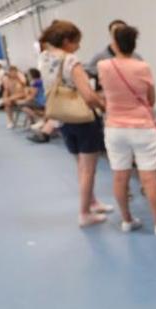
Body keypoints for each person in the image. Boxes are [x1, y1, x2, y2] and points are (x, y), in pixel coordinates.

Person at [97, 25, 156, 236]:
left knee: (119, 176)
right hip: (142, 127)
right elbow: (151, 99)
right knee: (148, 176)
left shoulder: (104, 66)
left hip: (115, 128)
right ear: (134, 44)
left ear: (114, 44)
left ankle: (127, 220)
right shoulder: (143, 67)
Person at [38, 20, 113, 227]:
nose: (78, 47)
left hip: (62, 119)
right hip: (83, 121)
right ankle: (84, 213)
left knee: (79, 165)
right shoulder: (71, 61)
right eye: (76, 42)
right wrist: (104, 106)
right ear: (66, 41)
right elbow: (88, 96)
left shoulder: (44, 58)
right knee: (88, 169)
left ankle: (93, 202)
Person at [85, 19, 142, 90]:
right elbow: (86, 76)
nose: (118, 34)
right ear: (110, 34)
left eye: (122, 31)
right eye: (115, 31)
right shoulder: (100, 57)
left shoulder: (137, 58)